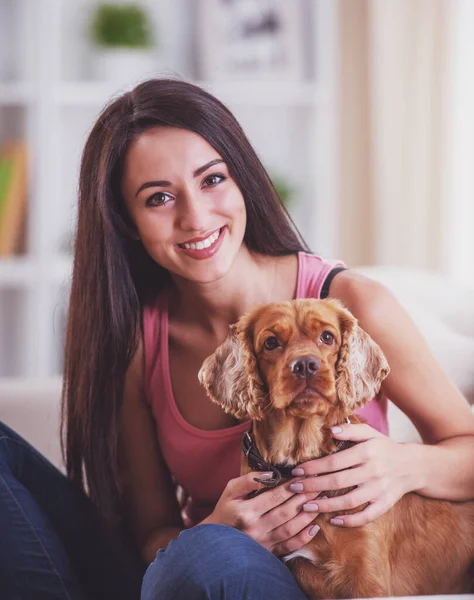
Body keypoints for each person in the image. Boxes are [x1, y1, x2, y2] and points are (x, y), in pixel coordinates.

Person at [1, 78, 474, 600]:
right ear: (128, 223)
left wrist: (404, 465)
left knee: (207, 561)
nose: (195, 217)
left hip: (311, 573)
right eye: (158, 198)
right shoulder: (138, 343)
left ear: (242, 179)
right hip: (205, 570)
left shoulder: (354, 303)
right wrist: (219, 529)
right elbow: (152, 534)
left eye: (212, 179)